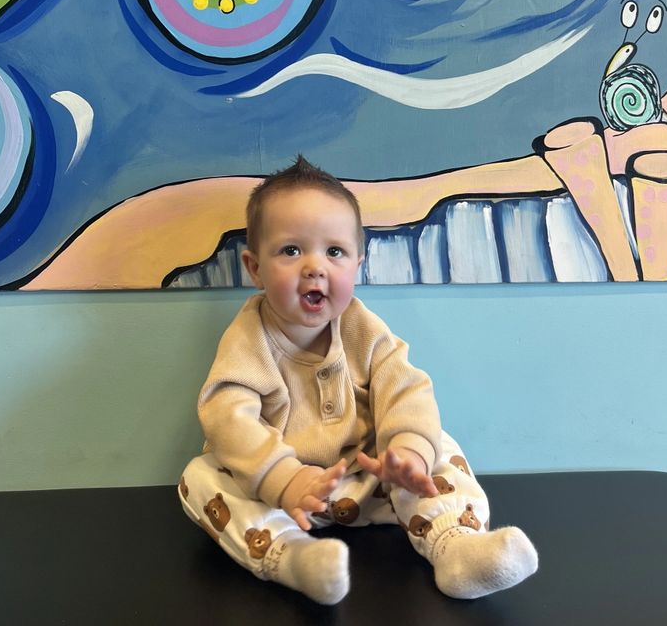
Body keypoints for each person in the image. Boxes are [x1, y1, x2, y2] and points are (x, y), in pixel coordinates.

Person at [179, 156, 538, 605]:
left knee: (438, 445)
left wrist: (407, 453)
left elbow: (405, 389)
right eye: (291, 251)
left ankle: (455, 547)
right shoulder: (249, 338)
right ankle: (294, 559)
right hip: (284, 499)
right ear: (255, 268)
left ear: (357, 265)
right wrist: (284, 479)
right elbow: (226, 416)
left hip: (370, 482)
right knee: (201, 476)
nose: (315, 267)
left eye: (334, 252)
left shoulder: (363, 330)